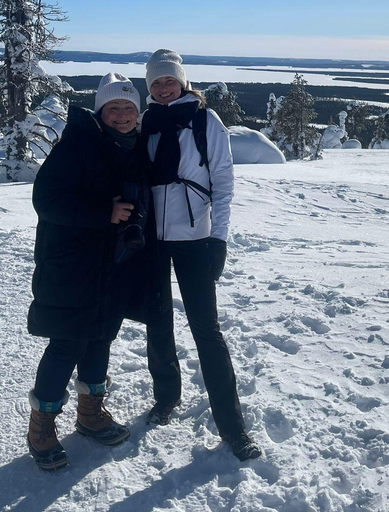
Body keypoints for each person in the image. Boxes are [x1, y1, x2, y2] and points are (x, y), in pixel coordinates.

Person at [140, 49, 261, 461]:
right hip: (153, 239)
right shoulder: (146, 123)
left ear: (182, 81)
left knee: (206, 331)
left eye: (168, 80)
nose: (162, 87)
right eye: (155, 83)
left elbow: (223, 186)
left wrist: (219, 240)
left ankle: (232, 426)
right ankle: (167, 397)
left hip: (196, 238)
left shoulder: (205, 121)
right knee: (157, 323)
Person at [26, 73, 150, 471]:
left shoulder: (133, 148)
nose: (123, 114)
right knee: (67, 345)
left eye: (130, 107)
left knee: (100, 340)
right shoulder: (77, 145)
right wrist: (105, 213)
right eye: (114, 107)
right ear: (100, 111)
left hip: (113, 265)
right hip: (73, 265)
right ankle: (41, 426)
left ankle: (90, 413)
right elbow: (45, 200)